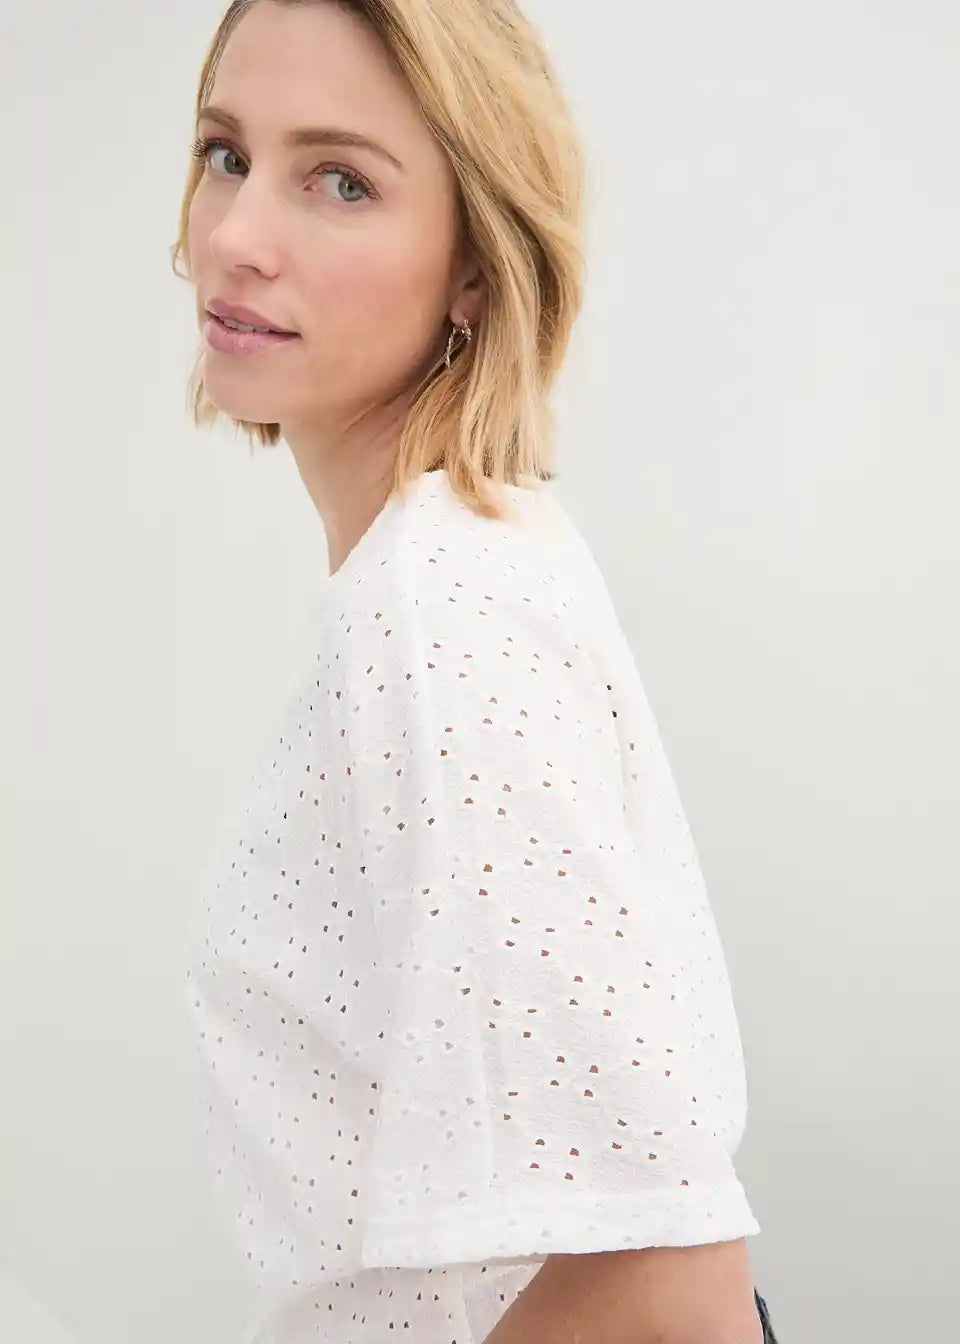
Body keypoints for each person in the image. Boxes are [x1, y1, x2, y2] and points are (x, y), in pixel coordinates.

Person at [174, 3, 779, 1341]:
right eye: (227, 154)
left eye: (341, 180)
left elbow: (672, 1285)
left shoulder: (439, 609)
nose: (235, 236)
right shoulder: (448, 567)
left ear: (476, 270)